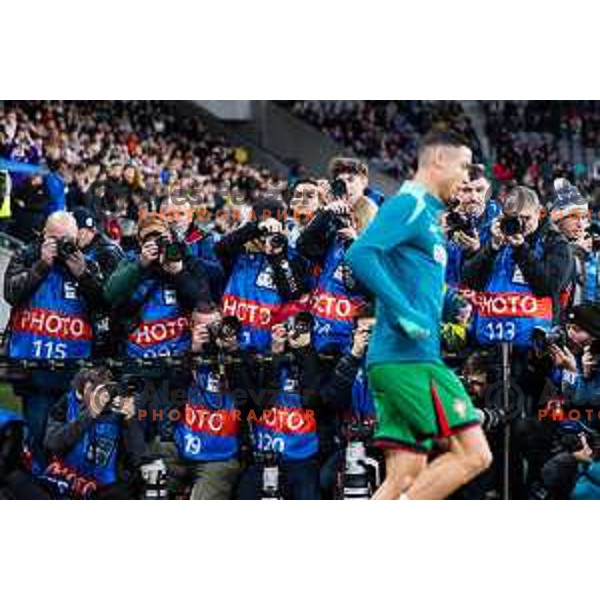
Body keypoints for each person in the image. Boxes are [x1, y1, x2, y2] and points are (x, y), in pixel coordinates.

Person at [347, 131, 492, 500]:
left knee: (404, 477)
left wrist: (448, 302)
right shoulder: (407, 204)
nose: (465, 177)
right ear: (438, 161)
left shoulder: (429, 213)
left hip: (398, 359)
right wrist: (405, 312)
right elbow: (361, 254)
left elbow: (414, 277)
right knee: (474, 455)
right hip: (408, 358)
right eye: (462, 166)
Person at [4, 211, 105, 470]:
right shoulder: (27, 255)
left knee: (71, 442)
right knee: (38, 438)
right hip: (34, 370)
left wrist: (82, 275)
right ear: (43, 236)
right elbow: (11, 293)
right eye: (56, 239)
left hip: (73, 373)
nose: (63, 246)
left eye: (68, 240)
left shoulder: (87, 264)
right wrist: (42, 265)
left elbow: (103, 306)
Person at [44, 367, 146, 499]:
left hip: (109, 488)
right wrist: (90, 413)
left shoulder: (118, 408)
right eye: (93, 389)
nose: (100, 396)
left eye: (103, 389)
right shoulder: (67, 403)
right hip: (70, 482)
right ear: (80, 392)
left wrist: (130, 419)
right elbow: (53, 443)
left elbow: (137, 456)